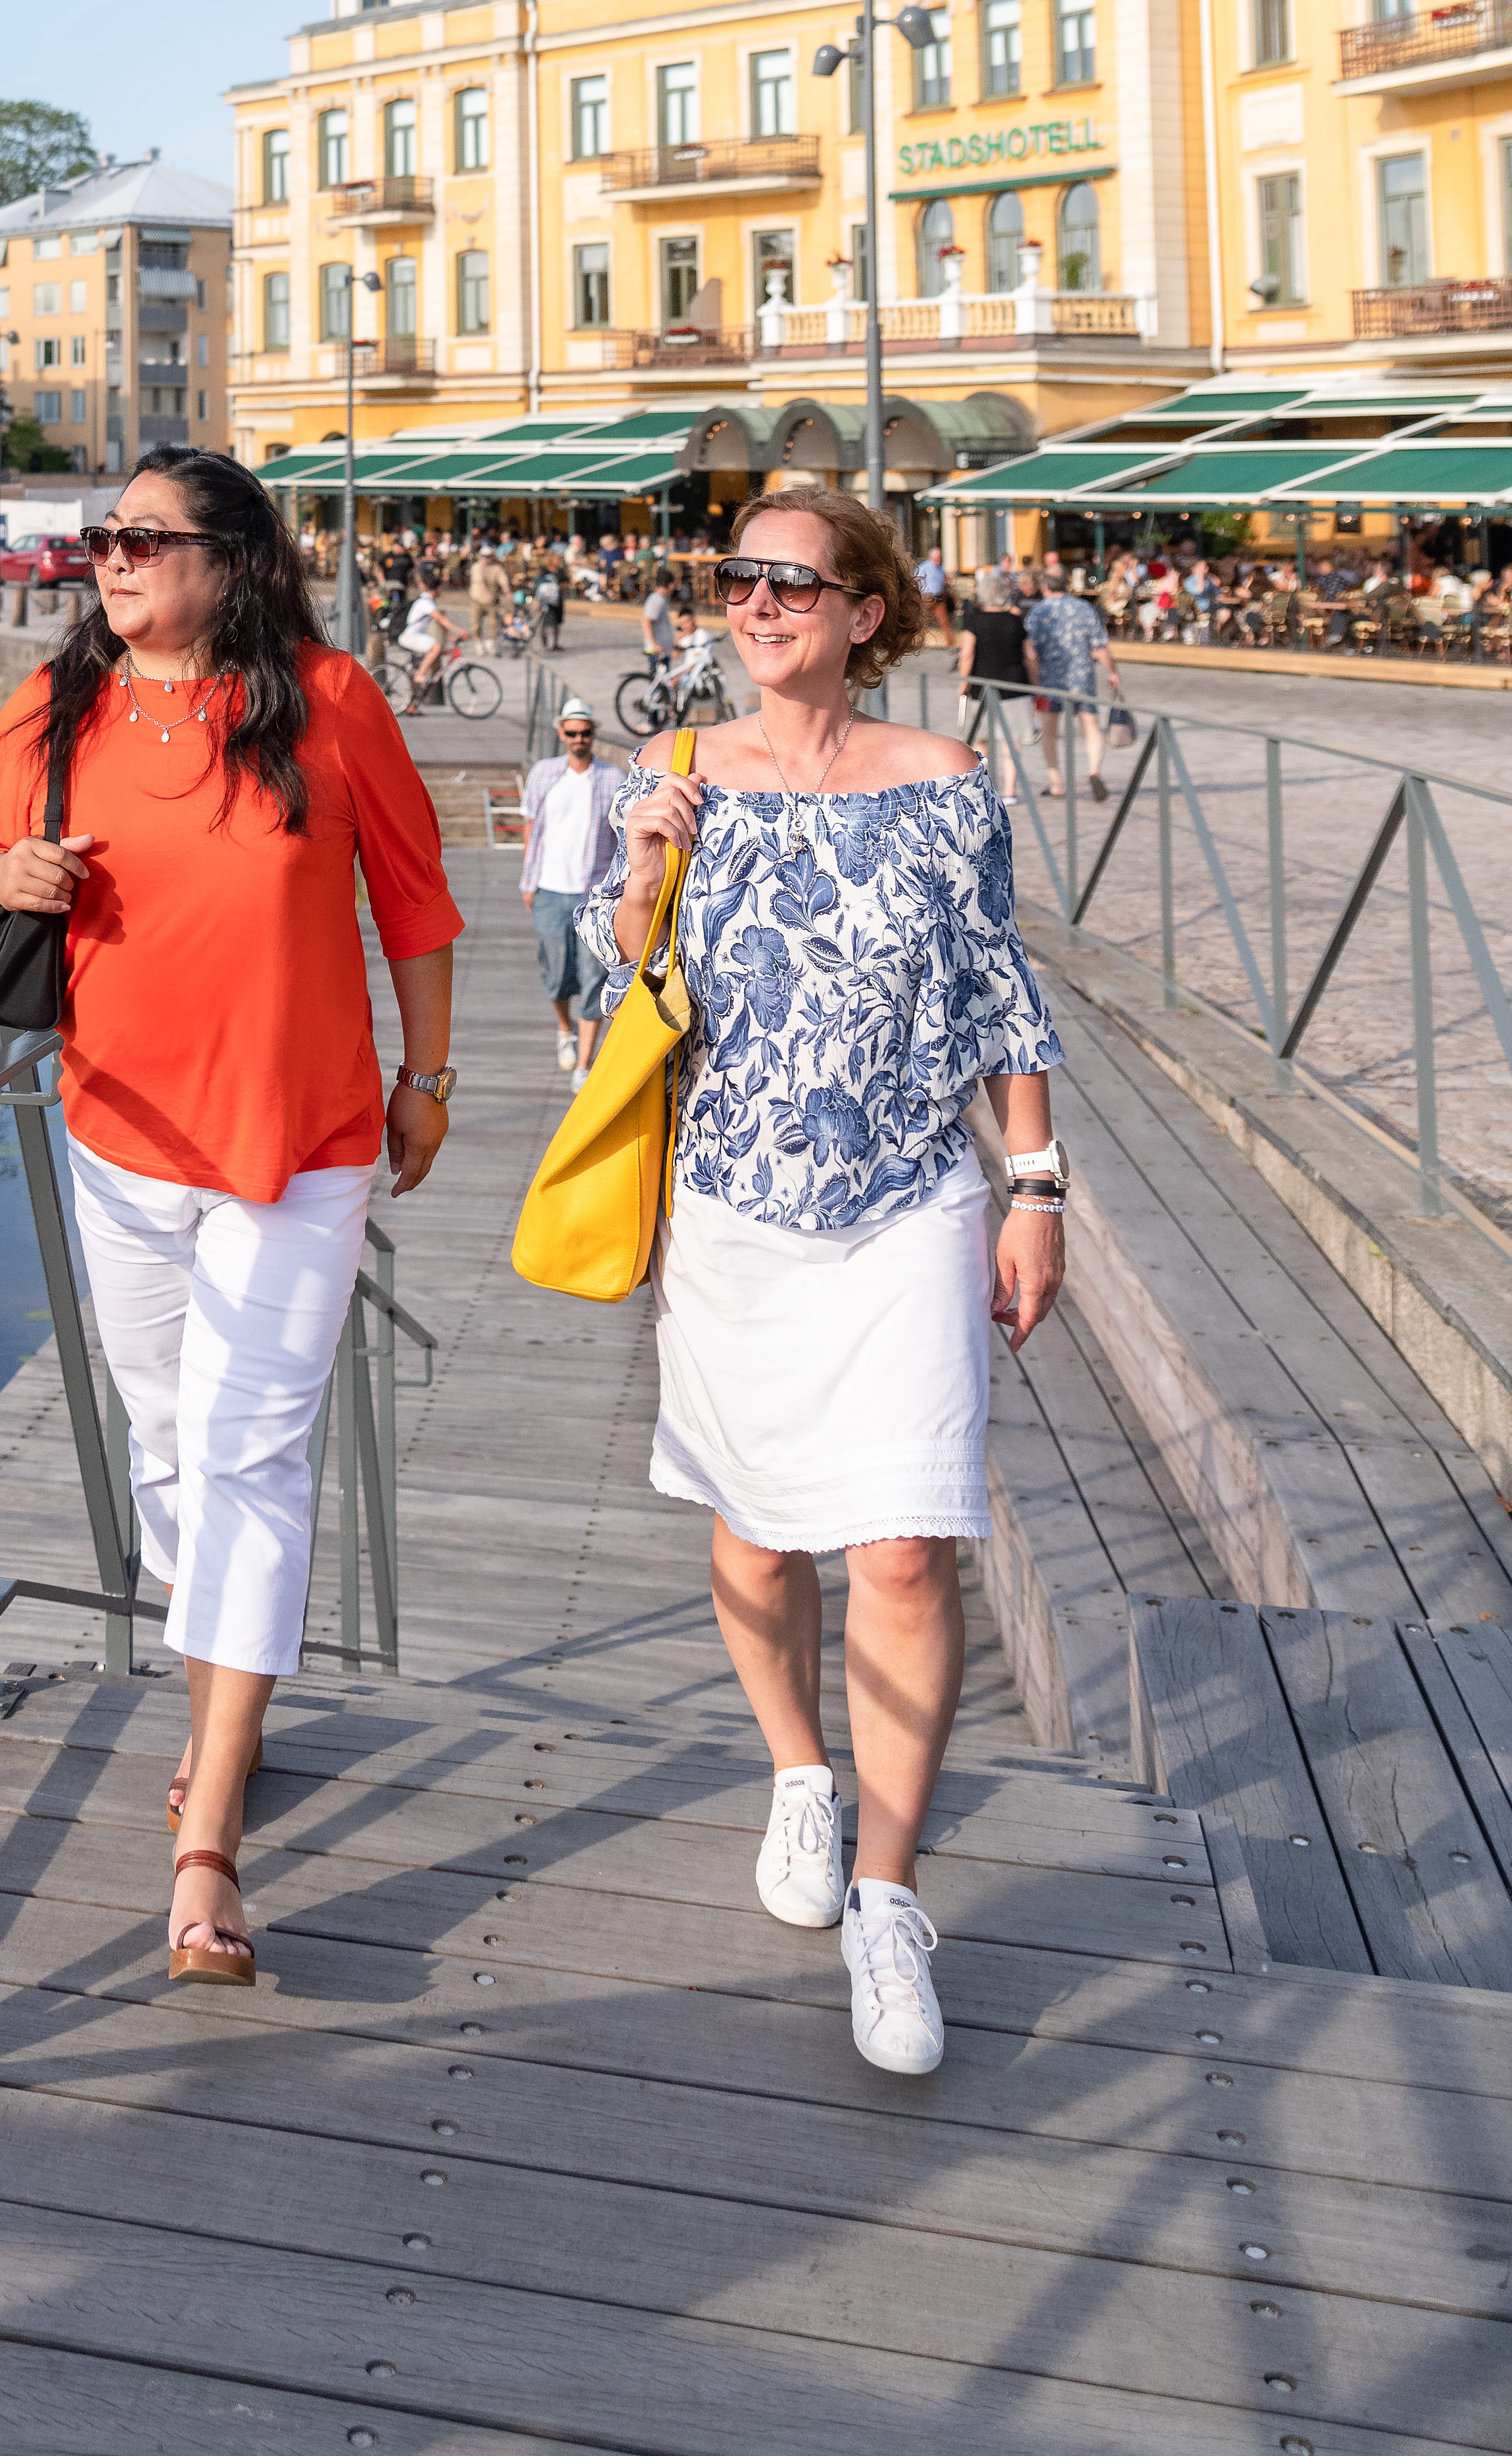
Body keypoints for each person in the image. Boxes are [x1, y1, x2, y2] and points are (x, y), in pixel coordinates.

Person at [0, 451, 462, 1983]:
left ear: (232, 560)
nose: (112, 561)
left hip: (301, 1145)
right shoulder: (63, 708)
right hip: (121, 1137)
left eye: (145, 541)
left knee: (251, 1452)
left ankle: (209, 1833)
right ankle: (221, 1697)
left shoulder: (327, 699)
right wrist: (0, 873)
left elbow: (417, 907)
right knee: (168, 1440)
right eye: (103, 539)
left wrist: (426, 1081)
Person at [589, 492, 1065, 2078]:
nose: (755, 600)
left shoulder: (940, 782)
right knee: (750, 1525)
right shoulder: (680, 776)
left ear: (866, 612)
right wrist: (638, 873)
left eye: (792, 580)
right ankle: (800, 1765)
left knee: (910, 1550)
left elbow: (997, 987)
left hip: (909, 1203)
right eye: (739, 577)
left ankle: (886, 1892)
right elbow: (618, 1004)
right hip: (731, 1207)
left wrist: (1034, 1185)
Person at [519, 704, 622, 1080]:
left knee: (595, 974)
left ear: (594, 735)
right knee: (555, 971)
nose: (580, 740)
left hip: (594, 895)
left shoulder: (613, 778)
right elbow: (532, 828)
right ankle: (565, 1029)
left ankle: (584, 1063)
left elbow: (623, 841)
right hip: (548, 889)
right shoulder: (544, 773)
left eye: (586, 733)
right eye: (573, 733)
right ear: (562, 734)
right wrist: (527, 882)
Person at [1025, 563, 1122, 799]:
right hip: (1083, 678)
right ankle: (1094, 770)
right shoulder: (1084, 608)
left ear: (1045, 587)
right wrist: (1113, 672)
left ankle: (1057, 783)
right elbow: (1100, 646)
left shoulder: (1039, 612)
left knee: (1049, 733)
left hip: (1050, 680)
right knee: (1091, 727)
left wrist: (1033, 681)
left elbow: (1031, 651)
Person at [952, 567, 1032, 739]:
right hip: (1014, 686)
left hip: (982, 685)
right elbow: (1031, 656)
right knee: (1012, 743)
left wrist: (963, 683)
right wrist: (1035, 683)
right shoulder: (1016, 621)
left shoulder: (974, 621)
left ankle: (986, 767)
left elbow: (967, 654)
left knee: (981, 740)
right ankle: (1011, 768)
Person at [399, 576, 445, 704]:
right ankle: (421, 675)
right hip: (410, 637)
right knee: (436, 647)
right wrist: (461, 631)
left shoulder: (429, 600)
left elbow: (440, 623)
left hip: (415, 637)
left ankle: (413, 704)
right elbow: (442, 619)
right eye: (441, 589)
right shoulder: (426, 602)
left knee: (435, 651)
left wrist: (451, 636)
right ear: (436, 589)